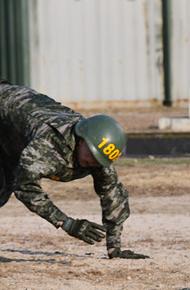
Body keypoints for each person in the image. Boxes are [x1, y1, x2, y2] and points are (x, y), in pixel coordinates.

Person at [0, 81, 148, 260]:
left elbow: (113, 195)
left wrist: (114, 246)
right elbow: (25, 187)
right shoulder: (49, 145)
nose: (94, 162)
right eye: (93, 155)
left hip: (12, 137)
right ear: (81, 140)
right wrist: (67, 223)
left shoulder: (97, 155)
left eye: (100, 160)